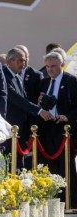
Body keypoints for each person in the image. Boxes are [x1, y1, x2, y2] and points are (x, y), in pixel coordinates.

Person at [37, 51, 77, 208]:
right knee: (50, 167)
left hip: (64, 130)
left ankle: (71, 202)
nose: (50, 70)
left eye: (53, 66)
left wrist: (67, 116)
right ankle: (54, 202)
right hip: (47, 129)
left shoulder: (71, 81)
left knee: (66, 167)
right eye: (47, 66)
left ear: (62, 64)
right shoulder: (43, 82)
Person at [2, 48, 52, 169]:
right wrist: (39, 111)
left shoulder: (17, 76)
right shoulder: (3, 76)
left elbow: (25, 98)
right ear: (10, 61)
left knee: (19, 161)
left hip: (21, 127)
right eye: (20, 60)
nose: (24, 64)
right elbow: (17, 99)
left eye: (24, 60)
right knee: (9, 162)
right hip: (10, 127)